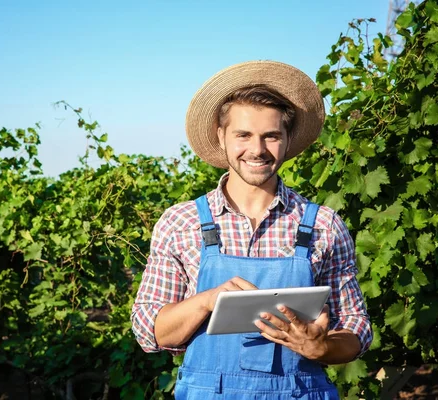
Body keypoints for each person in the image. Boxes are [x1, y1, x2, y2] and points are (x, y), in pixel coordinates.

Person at [131, 61, 372, 399]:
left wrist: (323, 348)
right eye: (243, 135)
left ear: (287, 140)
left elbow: (355, 326)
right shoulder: (180, 223)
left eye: (271, 136)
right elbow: (149, 331)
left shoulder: (323, 225)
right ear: (221, 136)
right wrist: (208, 301)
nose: (257, 150)